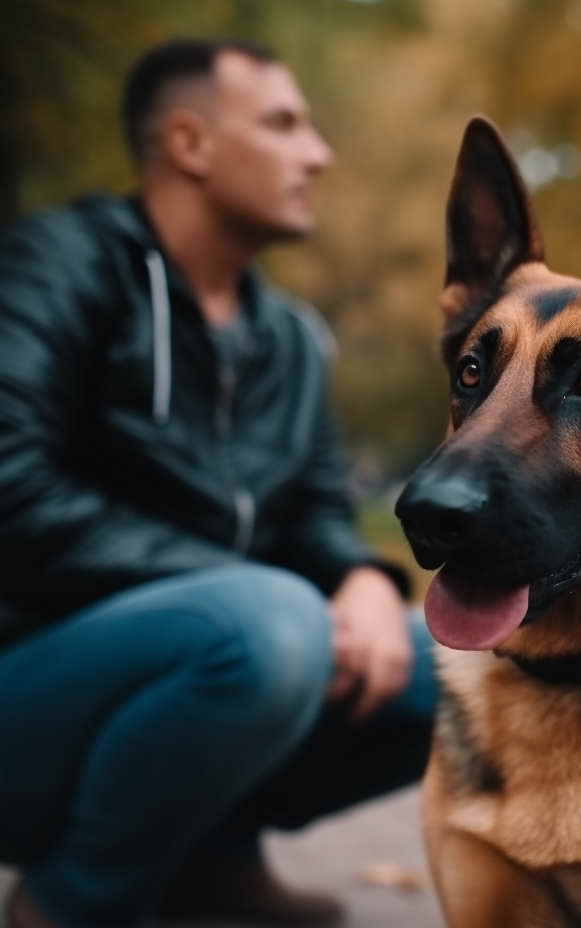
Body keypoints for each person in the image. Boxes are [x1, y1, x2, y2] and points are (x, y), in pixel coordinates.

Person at [0, 38, 434, 927]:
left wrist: (359, 582)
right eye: (283, 124)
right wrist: (253, 593)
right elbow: (11, 487)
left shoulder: (288, 335)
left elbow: (315, 508)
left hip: (232, 655)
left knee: (467, 672)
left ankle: (208, 861)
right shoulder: (58, 266)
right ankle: (74, 899)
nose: (318, 153)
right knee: (264, 626)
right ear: (190, 144)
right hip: (30, 686)